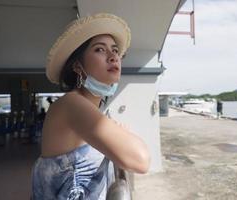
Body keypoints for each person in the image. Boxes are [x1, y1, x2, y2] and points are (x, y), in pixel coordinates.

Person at [31, 13, 150, 199]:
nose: (113, 56)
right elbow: (140, 160)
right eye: (100, 50)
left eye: (115, 50)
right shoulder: (72, 104)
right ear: (78, 66)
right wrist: (124, 135)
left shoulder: (91, 109)